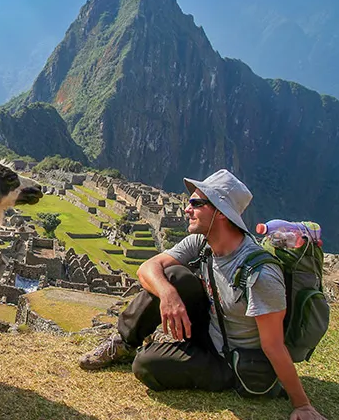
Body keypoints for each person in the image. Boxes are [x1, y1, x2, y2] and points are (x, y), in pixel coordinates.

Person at [78, 169, 325, 420]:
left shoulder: (259, 275)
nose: (187, 209)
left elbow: (273, 346)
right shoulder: (202, 243)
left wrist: (302, 404)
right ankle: (122, 343)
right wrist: (168, 296)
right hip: (209, 331)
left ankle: (205, 369)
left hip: (233, 361)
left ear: (220, 212)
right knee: (172, 277)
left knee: (147, 365)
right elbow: (147, 268)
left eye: (196, 203)